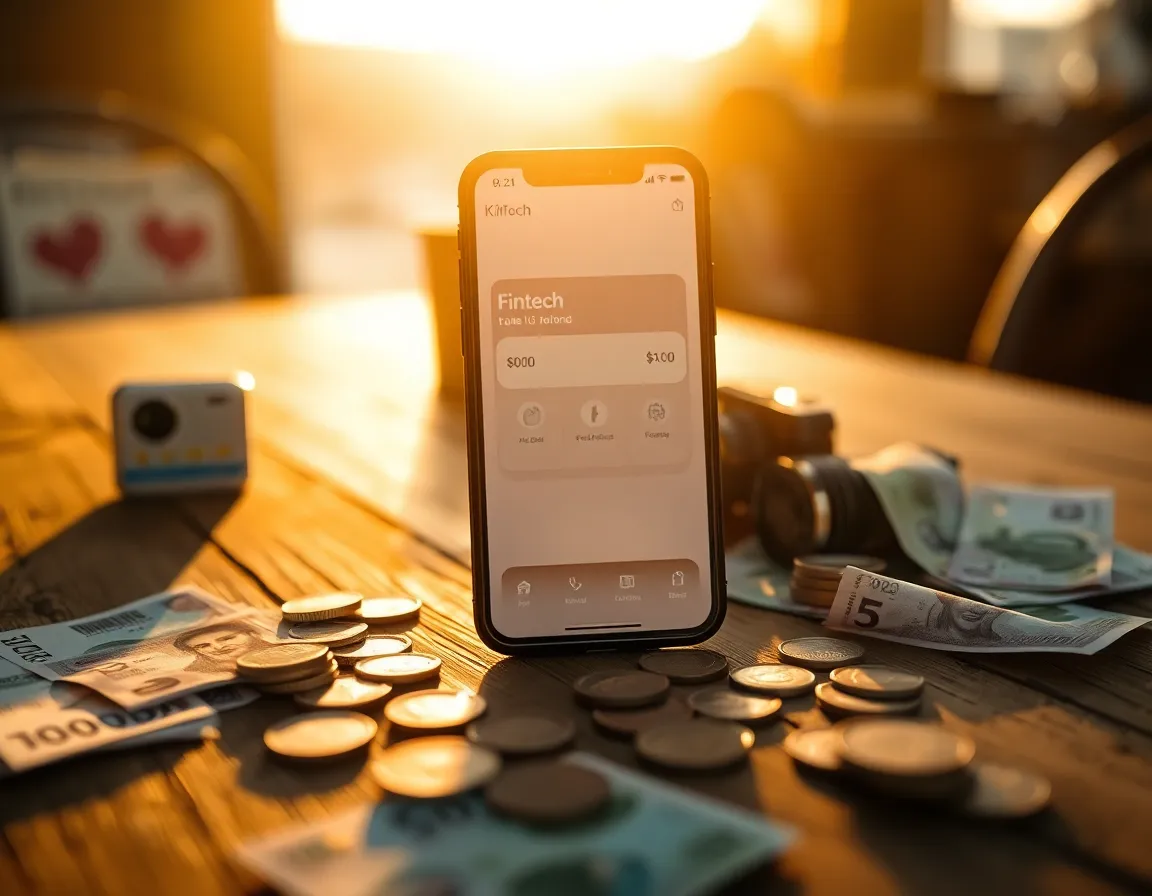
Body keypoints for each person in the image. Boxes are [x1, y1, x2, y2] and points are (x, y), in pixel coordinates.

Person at [172, 622, 264, 673]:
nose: (218, 647)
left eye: (227, 638)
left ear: (252, 634)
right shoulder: (193, 673)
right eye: (203, 646)